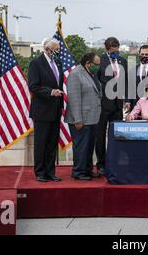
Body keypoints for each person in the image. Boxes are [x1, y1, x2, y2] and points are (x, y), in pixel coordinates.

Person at [28, 38, 64, 182]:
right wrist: (50, 92)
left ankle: (50, 171)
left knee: (52, 143)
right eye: (56, 49)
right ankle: (40, 172)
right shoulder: (36, 64)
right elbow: (33, 86)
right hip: (42, 110)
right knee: (41, 143)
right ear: (48, 49)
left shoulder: (58, 63)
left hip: (55, 110)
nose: (58, 52)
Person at [65, 52, 102, 181]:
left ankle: (87, 169)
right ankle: (79, 172)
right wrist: (78, 119)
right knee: (81, 146)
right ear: (88, 63)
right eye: (96, 64)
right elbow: (74, 100)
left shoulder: (90, 74)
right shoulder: (75, 75)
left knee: (89, 147)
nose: (98, 67)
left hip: (92, 117)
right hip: (80, 119)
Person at [95, 37, 129, 176]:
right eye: (112, 50)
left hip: (118, 104)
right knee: (100, 135)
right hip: (103, 104)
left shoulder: (123, 61)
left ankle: (115, 161)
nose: (115, 52)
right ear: (107, 49)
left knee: (117, 134)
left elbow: (126, 81)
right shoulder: (99, 61)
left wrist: (127, 100)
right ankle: (101, 164)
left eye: (117, 49)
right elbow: (96, 82)